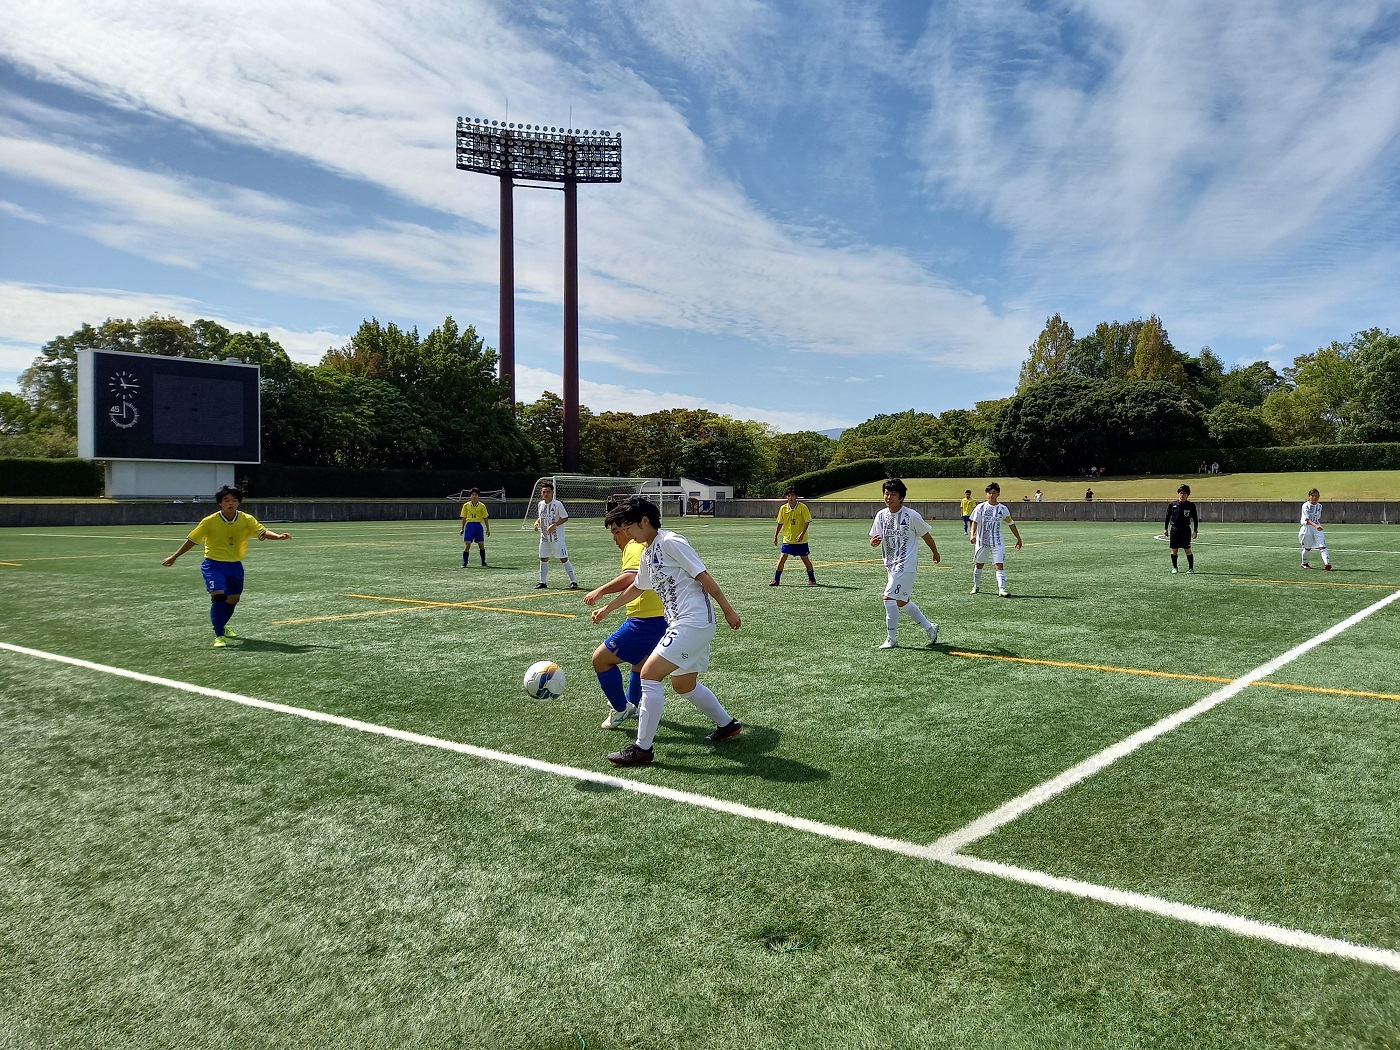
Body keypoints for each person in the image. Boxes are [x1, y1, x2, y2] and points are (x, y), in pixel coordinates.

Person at [590, 498, 742, 767]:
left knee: (649, 674)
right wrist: (607, 608)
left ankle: (642, 749)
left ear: (645, 521)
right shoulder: (648, 552)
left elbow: (703, 576)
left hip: (693, 622)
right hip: (682, 624)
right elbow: (638, 587)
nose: (626, 534)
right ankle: (727, 725)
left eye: (629, 527)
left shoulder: (671, 541)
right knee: (683, 685)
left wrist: (728, 609)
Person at [161, 485, 291, 647]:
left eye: (234, 500)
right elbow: (192, 540)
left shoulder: (246, 519)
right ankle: (219, 636)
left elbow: (261, 532)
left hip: (235, 565)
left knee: (233, 598)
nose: (231, 503)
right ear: (220, 503)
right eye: (227, 500)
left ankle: (221, 624)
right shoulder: (209, 521)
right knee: (219, 596)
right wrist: (174, 556)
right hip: (213, 565)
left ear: (238, 503)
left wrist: (278, 537)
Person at [583, 504, 670, 729]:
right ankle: (631, 705)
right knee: (640, 664)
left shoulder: (633, 546)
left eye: (616, 531)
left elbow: (632, 578)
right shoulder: (646, 544)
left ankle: (620, 709)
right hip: (662, 616)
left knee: (600, 660)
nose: (615, 538)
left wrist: (600, 591)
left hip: (646, 620)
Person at [869, 477, 941, 649]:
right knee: (901, 602)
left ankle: (891, 639)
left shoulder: (911, 516)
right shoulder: (881, 515)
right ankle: (930, 628)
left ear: (901, 497)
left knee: (888, 598)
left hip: (906, 565)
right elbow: (874, 537)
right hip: (891, 565)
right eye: (886, 494)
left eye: (893, 494)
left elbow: (926, 535)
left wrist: (935, 552)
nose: (888, 497)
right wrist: (873, 542)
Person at [969, 482, 1023, 598]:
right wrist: (972, 535)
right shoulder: (980, 507)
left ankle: (1002, 589)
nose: (991, 495)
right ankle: (976, 586)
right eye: (989, 493)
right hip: (982, 542)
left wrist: (1018, 538)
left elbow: (1011, 523)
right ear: (986, 494)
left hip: (997, 542)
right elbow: (974, 522)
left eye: (993, 493)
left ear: (998, 493)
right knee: (979, 565)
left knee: (999, 565)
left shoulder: (1003, 509)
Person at [532, 481, 577, 589]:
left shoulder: (557, 504)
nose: (546, 494)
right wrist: (537, 522)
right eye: (544, 492)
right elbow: (542, 516)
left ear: (552, 492)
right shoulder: (540, 504)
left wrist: (554, 525)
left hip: (557, 538)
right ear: (541, 493)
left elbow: (565, 517)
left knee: (563, 558)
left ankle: (573, 581)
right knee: (543, 558)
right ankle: (542, 582)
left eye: (548, 491)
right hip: (544, 537)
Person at [771, 487, 816, 586]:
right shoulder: (783, 508)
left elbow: (807, 521)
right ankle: (776, 580)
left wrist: (802, 534)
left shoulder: (802, 507)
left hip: (801, 540)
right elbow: (780, 523)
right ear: (786, 497)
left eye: (792, 495)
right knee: (782, 558)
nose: (790, 497)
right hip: (787, 539)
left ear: (796, 496)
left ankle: (812, 579)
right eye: (788, 495)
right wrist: (775, 536)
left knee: (805, 559)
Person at [1163, 484, 1199, 574]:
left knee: (1187, 549)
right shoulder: (1172, 505)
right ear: (1178, 494)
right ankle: (1175, 567)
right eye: (1181, 493)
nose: (1182, 495)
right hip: (1174, 529)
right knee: (1174, 549)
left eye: (1185, 494)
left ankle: (1191, 568)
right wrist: (1165, 528)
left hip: (1185, 530)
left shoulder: (1190, 505)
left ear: (1188, 495)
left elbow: (1195, 518)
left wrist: (1195, 530)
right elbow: (1167, 517)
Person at [1299, 489, 1333, 570]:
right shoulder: (1305, 506)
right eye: (1313, 496)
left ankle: (1327, 563)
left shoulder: (1319, 506)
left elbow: (1318, 517)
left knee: (1322, 546)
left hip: (1316, 527)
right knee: (1307, 547)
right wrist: (1315, 525)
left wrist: (1316, 525)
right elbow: (1306, 519)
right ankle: (1304, 563)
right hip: (1307, 527)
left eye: (1316, 496)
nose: (1315, 498)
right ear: (1309, 497)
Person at [458, 488, 490, 567]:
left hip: (478, 526)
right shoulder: (466, 505)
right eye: (473, 495)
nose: (474, 496)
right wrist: (462, 528)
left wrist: (488, 529)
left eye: (476, 495)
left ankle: (483, 562)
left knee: (481, 545)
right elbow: (464, 517)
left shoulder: (482, 506)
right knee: (467, 545)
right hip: (469, 526)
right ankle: (464, 563)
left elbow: (485, 518)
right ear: (470, 496)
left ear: (478, 496)